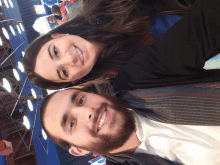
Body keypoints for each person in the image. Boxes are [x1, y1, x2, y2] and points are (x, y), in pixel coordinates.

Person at [23, 0, 189, 90]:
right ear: (75, 80)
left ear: (58, 35)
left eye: (56, 51)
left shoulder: (102, 5)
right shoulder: (130, 83)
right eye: (64, 71)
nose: (69, 58)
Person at [40, 87, 220, 165]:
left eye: (81, 99)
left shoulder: (143, 83)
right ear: (78, 151)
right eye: (72, 123)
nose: (88, 111)